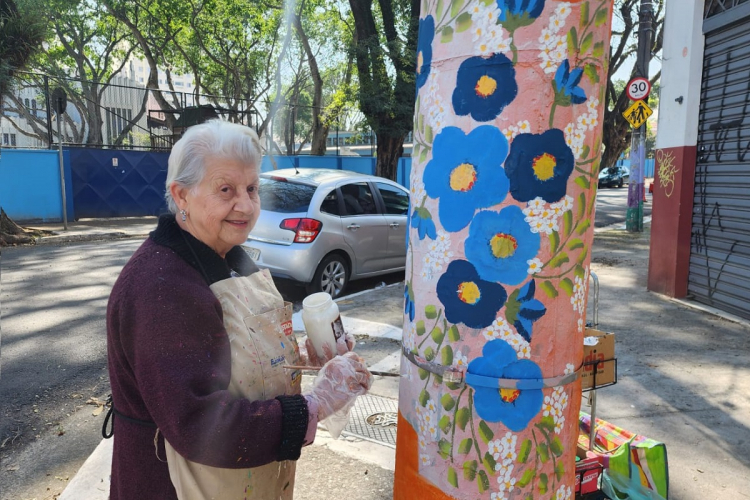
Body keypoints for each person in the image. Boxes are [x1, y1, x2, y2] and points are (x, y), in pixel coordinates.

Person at [105, 120, 372, 500]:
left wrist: (304, 357)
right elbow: (200, 426)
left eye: (251, 188)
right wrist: (316, 405)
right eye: (225, 189)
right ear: (181, 195)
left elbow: (239, 354)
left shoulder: (231, 255)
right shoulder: (159, 286)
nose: (245, 206)